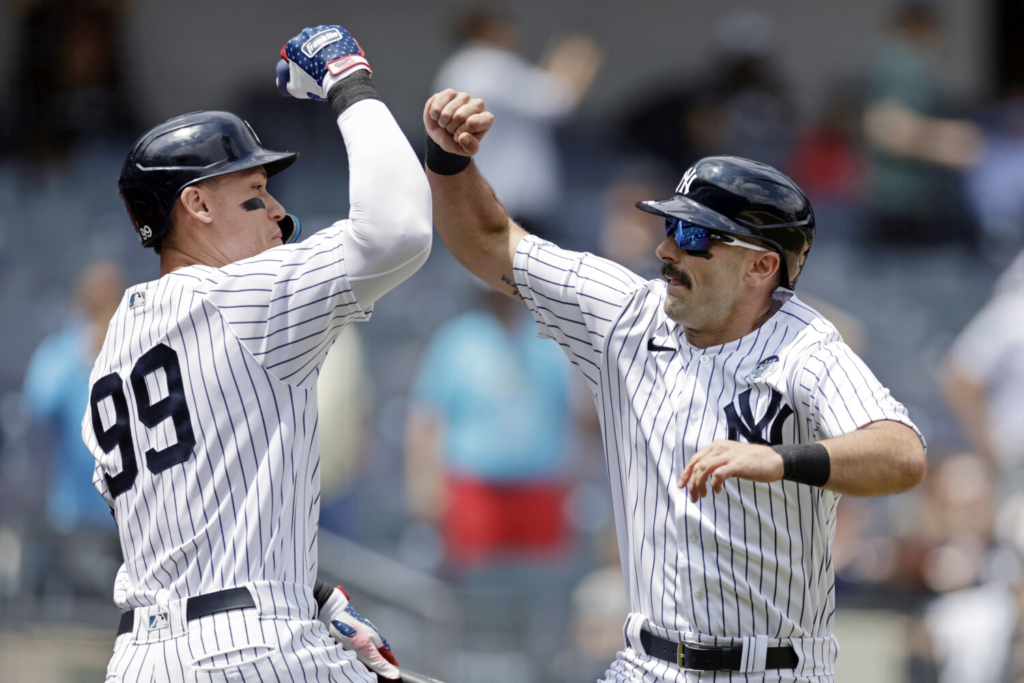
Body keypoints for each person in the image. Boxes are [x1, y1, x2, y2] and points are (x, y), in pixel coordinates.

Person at [420, 88, 927, 681]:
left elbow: (902, 453)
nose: (664, 249)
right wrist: (451, 160)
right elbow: (487, 242)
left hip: (769, 669)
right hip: (644, 663)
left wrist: (778, 459)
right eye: (670, 226)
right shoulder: (627, 315)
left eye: (693, 236)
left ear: (761, 265)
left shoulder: (805, 350)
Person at [82, 25, 429, 681]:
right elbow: (401, 228)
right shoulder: (241, 294)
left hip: (139, 660)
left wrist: (316, 594)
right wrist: (348, 78)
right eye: (254, 193)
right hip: (252, 649)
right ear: (196, 204)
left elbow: (191, 519)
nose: (279, 212)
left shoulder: (114, 350)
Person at [405, 285, 574, 568]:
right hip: (474, 491)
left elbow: (573, 414)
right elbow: (426, 418)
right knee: (476, 590)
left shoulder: (549, 340)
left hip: (540, 489)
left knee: (540, 587)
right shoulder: (457, 340)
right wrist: (423, 485)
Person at [432, 3, 600, 235]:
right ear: (490, 29)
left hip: (477, 193)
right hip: (509, 199)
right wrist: (576, 58)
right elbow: (557, 102)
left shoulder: (453, 70)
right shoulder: (489, 64)